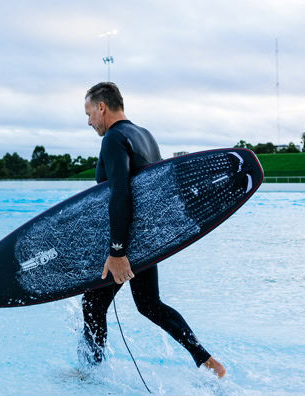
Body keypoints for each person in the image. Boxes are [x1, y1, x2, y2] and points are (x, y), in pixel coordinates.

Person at [80, 82, 226, 378]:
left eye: (89, 114)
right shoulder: (144, 135)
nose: (89, 122)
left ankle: (91, 374)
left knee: (92, 304)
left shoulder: (113, 138)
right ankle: (208, 362)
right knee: (149, 304)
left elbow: (120, 194)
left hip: (128, 241)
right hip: (148, 239)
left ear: (101, 107)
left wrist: (117, 251)